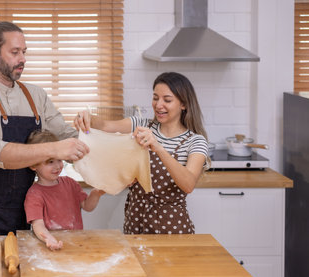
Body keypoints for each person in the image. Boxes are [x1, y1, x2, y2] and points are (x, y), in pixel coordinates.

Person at [0, 21, 89, 235]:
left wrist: (106, 146)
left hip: (30, 211)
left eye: (24, 52)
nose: (23, 59)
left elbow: (66, 136)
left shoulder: (36, 96)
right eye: (15, 52)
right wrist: (54, 149)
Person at [74, 72, 209, 234]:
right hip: (135, 223)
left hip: (172, 228)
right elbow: (105, 126)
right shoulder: (140, 124)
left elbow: (188, 184)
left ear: (183, 104)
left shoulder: (195, 141)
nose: (159, 105)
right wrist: (88, 118)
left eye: (167, 100)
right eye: (155, 98)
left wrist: (158, 147)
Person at [24, 130, 105, 250]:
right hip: (50, 245)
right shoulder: (34, 194)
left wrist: (96, 193)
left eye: (59, 160)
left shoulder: (70, 183)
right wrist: (48, 239)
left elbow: (87, 206)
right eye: (50, 162)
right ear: (33, 164)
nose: (57, 166)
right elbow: (38, 225)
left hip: (75, 244)